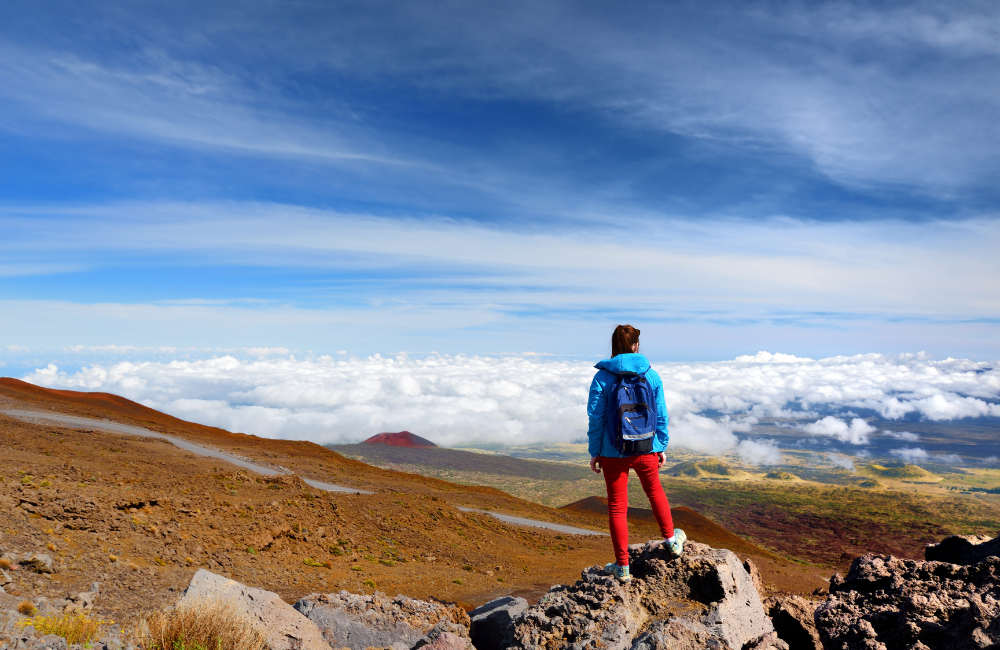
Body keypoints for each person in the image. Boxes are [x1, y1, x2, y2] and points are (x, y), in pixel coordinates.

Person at [587, 324, 685, 582]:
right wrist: (660, 445)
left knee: (618, 508)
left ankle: (623, 568)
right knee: (655, 492)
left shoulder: (602, 377)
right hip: (645, 448)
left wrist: (594, 451)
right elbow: (661, 414)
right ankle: (672, 543)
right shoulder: (651, 375)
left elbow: (596, 418)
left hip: (611, 452)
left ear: (614, 347)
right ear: (635, 346)